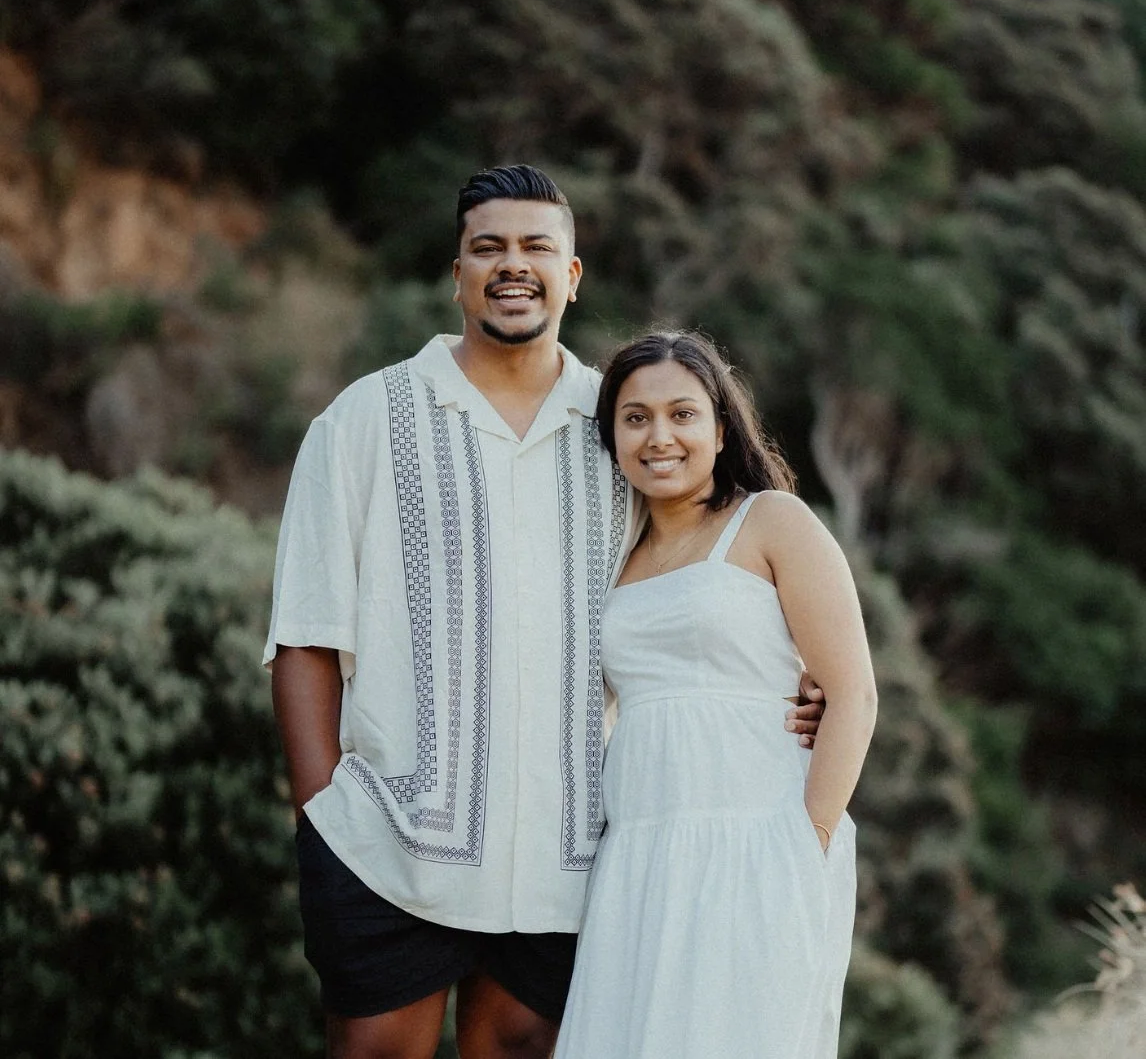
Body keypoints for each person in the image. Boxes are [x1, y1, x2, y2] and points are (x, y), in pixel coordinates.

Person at [264, 165, 825, 1059]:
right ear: (457, 274)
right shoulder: (362, 421)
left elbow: (700, 580)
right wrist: (320, 816)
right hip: (389, 848)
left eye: (537, 248)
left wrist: (792, 683)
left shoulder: (621, 430)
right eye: (488, 248)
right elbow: (303, 637)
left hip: (571, 859)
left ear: (572, 276)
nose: (511, 265)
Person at [554, 330, 877, 1059]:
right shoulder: (613, 553)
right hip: (636, 855)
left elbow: (853, 693)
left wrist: (807, 842)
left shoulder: (771, 522)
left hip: (758, 844)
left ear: (721, 427)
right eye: (635, 419)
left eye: (682, 414)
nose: (659, 436)